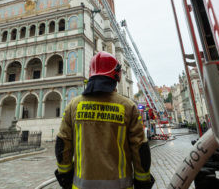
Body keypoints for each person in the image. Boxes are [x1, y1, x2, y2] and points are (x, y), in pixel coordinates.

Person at [55, 51, 155, 189]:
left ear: (91, 75)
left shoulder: (73, 106)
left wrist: (65, 174)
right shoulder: (128, 107)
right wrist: (143, 180)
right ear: (117, 76)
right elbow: (140, 148)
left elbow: (62, 143)